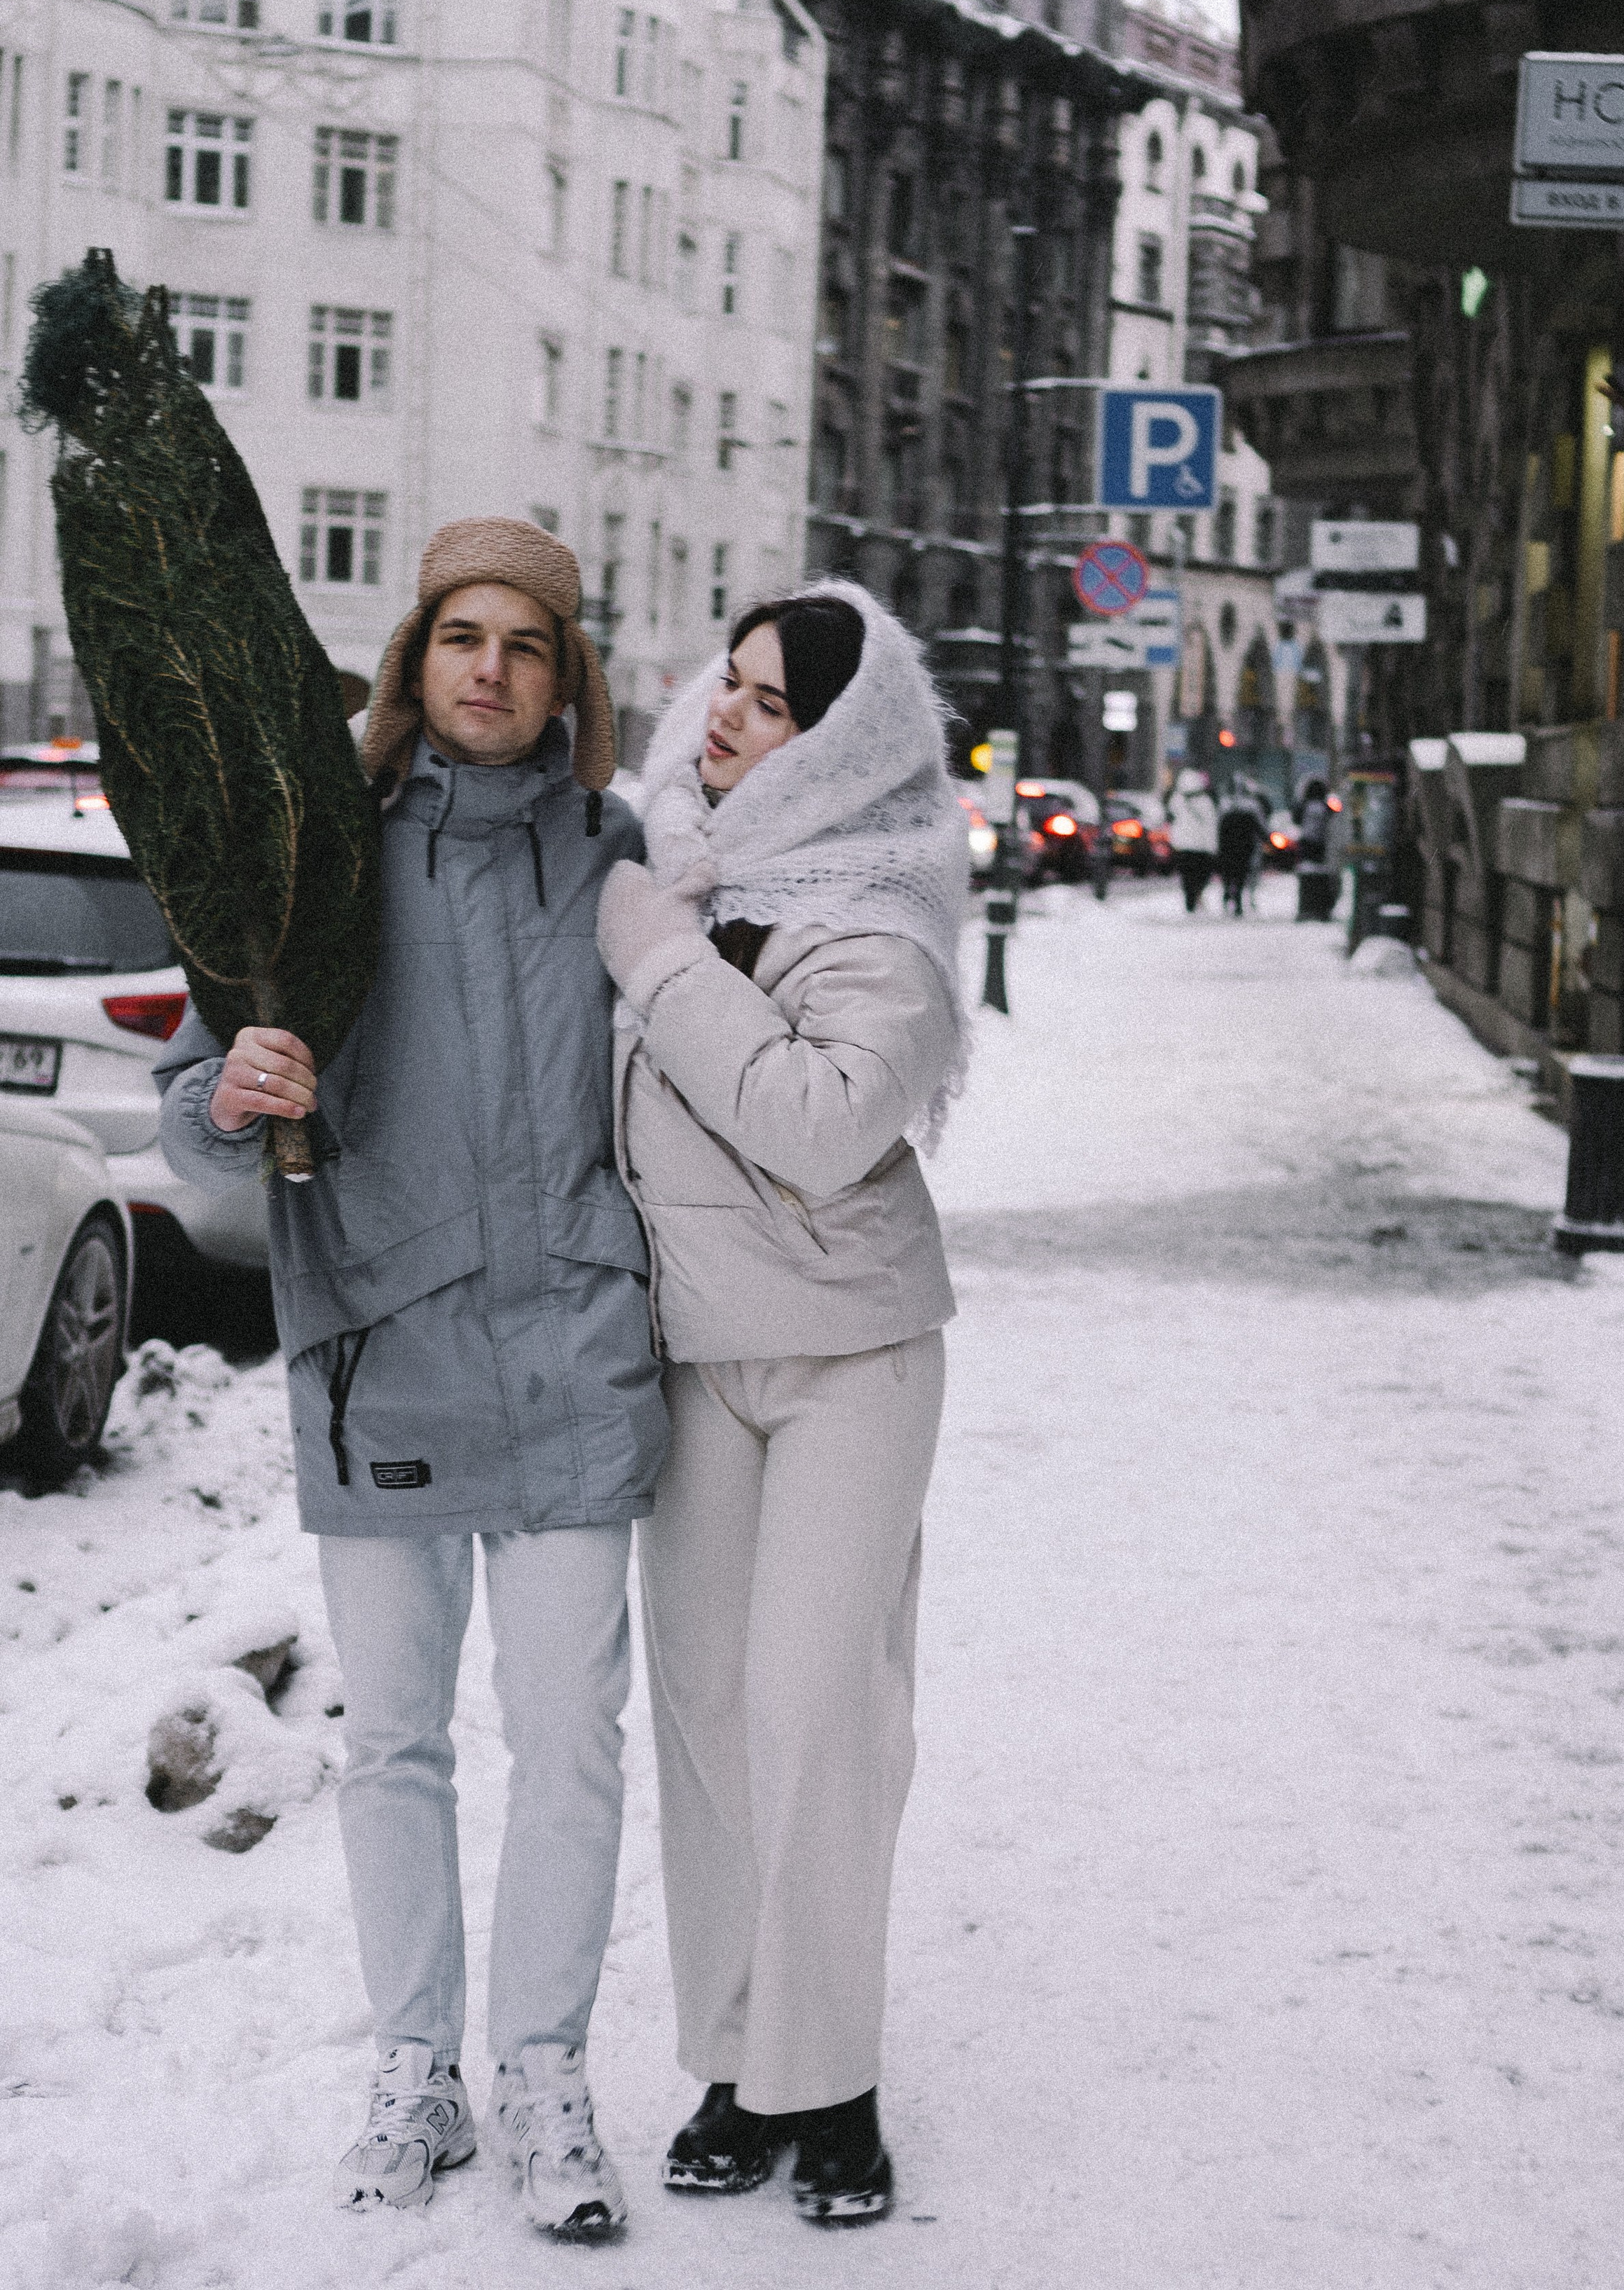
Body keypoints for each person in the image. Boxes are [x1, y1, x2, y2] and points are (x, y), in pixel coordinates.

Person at [154, 520, 663, 2244]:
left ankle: (539, 2068)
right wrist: (237, 1083)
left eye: (528, 643)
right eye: (463, 633)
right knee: (394, 1742)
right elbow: (190, 1107)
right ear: (414, 655)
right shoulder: (318, 852)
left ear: (565, 676)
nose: (491, 669)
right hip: (379, 1353)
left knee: (571, 1742)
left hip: (576, 1358)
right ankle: (416, 2065)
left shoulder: (612, 853)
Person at [594, 582, 968, 2230]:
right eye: (727, 685)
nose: (726, 717)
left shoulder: (883, 909)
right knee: (704, 1713)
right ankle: (735, 2062)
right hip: (688, 1348)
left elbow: (814, 1121)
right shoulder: (673, 853)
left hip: (846, 1354)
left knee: (818, 1713)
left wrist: (663, 960)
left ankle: (836, 2081)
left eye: (774, 702)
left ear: (849, 741)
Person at [1166, 766, 1219, 913]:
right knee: (1201, 875)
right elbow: (1211, 824)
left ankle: (1190, 901)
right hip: (1201, 847)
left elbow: (1172, 819)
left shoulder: (1176, 800)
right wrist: (1213, 845)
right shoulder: (1205, 801)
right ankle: (1197, 896)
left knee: (1187, 877)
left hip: (1183, 847)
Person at [1216, 780, 1266, 916]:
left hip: (1229, 847)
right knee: (1240, 874)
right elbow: (1259, 827)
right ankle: (1236, 900)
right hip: (1244, 847)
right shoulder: (1251, 808)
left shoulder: (1225, 805)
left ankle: (1229, 895)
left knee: (1230, 874)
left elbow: (1219, 827)